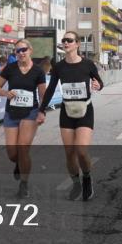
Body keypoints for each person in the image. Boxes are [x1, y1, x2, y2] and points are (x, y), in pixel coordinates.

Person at [39, 31, 104, 201]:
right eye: (64, 40)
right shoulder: (59, 67)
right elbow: (51, 89)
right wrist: (41, 110)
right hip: (67, 111)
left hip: (85, 110)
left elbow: (100, 82)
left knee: (81, 151)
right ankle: (76, 183)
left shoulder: (88, 64)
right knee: (69, 153)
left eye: (69, 40)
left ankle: (87, 178)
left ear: (77, 44)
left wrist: (98, 85)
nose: (66, 42)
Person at [0, 39, 47, 198]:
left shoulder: (38, 71)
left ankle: (24, 184)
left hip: (30, 113)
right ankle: (19, 163)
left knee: (23, 148)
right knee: (12, 153)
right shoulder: (10, 68)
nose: (21, 53)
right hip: (11, 113)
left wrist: (42, 112)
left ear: (30, 50)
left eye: (24, 49)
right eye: (18, 51)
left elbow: (43, 95)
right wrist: (6, 93)